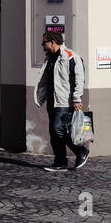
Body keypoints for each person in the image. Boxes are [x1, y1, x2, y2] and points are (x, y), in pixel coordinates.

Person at [35, 31, 89, 171]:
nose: (43, 45)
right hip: (53, 100)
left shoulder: (71, 56)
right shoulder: (50, 57)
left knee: (58, 129)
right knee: (54, 133)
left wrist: (77, 98)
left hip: (65, 101)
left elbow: (79, 78)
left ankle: (80, 151)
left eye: (44, 42)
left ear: (52, 42)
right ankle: (60, 163)